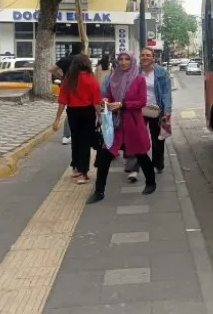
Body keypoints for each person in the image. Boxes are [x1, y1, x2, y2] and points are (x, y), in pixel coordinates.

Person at [87, 50, 156, 204]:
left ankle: (151, 182)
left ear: (132, 62)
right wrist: (106, 102)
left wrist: (123, 104)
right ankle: (99, 191)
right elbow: (109, 97)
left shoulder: (139, 79)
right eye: (121, 59)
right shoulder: (113, 78)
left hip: (133, 124)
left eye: (127, 59)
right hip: (116, 125)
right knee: (104, 157)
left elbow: (142, 101)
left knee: (141, 155)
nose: (124, 62)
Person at [124, 47, 173, 182]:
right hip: (138, 110)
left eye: (148, 55)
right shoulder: (134, 73)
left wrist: (167, 111)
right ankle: (134, 169)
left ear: (153, 58)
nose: (145, 57)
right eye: (143, 55)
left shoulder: (161, 73)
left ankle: (158, 163)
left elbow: (166, 93)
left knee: (157, 139)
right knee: (137, 138)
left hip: (156, 110)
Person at [52, 55, 101, 185]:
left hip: (73, 113)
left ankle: (77, 168)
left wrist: (57, 120)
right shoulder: (91, 79)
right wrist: (100, 117)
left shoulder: (68, 79)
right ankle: (84, 173)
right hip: (88, 112)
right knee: (85, 143)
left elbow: (62, 101)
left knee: (76, 140)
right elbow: (96, 102)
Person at [51, 43, 82, 145]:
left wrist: (61, 78)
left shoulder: (65, 59)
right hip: (80, 86)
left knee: (70, 109)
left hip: (67, 85)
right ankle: (75, 134)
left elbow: (51, 69)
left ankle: (66, 135)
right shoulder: (82, 61)